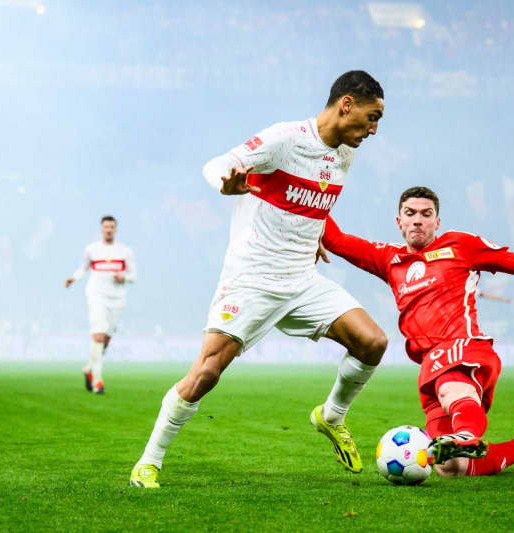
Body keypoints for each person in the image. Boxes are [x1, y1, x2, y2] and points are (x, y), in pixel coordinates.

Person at [129, 71, 388, 488]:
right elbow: (218, 165)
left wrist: (315, 230)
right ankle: (149, 462)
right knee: (206, 373)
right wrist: (226, 185)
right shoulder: (285, 139)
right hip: (253, 278)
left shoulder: (344, 153)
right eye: (371, 116)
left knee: (373, 342)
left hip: (303, 279)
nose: (373, 129)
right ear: (346, 105)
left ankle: (332, 415)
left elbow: (310, 198)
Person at [319, 186, 514, 477]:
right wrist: (304, 187)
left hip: (464, 346)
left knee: (451, 393)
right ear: (399, 222)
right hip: (429, 362)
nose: (418, 220)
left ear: (437, 222)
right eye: (410, 214)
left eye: (426, 214)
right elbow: (335, 239)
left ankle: (466, 434)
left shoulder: (460, 245)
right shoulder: (388, 259)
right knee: (451, 467)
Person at [65, 215, 136, 395]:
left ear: (116, 229)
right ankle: (98, 382)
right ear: (101, 229)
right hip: (96, 295)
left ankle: (89, 368)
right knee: (97, 336)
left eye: (112, 227)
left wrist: (124, 278)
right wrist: (73, 278)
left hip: (117, 298)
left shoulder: (125, 251)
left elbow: (133, 276)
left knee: (105, 340)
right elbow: (83, 267)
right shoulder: (92, 249)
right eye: (106, 227)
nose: (109, 230)